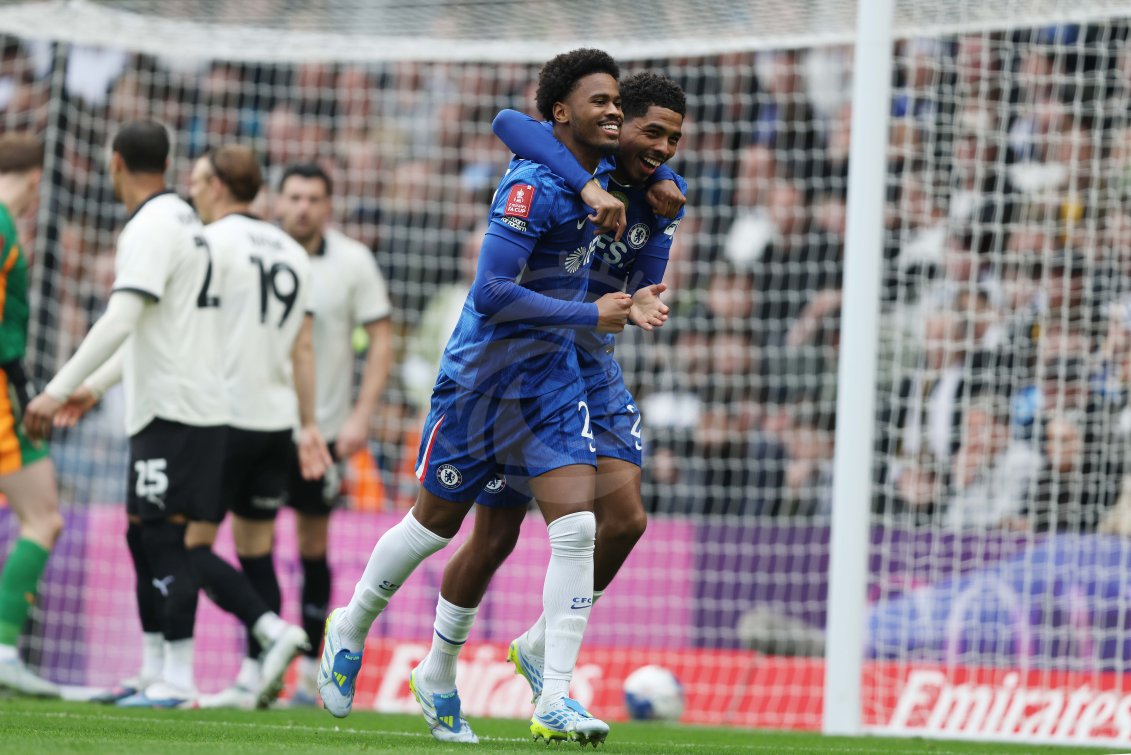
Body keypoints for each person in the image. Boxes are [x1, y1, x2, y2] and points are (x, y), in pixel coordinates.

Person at [318, 49, 637, 746]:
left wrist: (663, 179)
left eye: (618, 101)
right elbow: (490, 292)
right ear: (562, 113)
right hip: (481, 385)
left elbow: (644, 157)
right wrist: (589, 313)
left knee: (575, 528)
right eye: (601, 101)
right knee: (434, 527)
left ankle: (555, 696)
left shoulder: (605, 170)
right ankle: (351, 624)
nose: (615, 111)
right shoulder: (530, 186)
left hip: (550, 385)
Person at [408, 72, 687, 739]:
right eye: (650, 131)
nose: (662, 148)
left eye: (674, 140)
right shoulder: (569, 171)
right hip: (523, 364)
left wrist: (647, 285)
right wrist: (589, 184)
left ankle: (540, 651)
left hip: (588, 363)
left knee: (624, 520)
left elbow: (643, 279)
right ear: (615, 126)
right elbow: (510, 122)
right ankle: (439, 666)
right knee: (491, 536)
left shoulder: (659, 196)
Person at [24, 124, 305, 709]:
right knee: (145, 534)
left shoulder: (162, 226)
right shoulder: (191, 224)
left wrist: (59, 388)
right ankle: (156, 668)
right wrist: (95, 388)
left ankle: (190, 671)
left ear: (115, 162)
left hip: (180, 407)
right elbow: (159, 327)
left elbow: (123, 319)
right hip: (223, 408)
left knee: (166, 538)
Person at [184, 145, 329, 709]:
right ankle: (252, 675)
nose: (193, 191)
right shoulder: (292, 252)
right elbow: (304, 348)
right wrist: (308, 424)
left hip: (222, 417)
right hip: (277, 424)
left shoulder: (210, 243)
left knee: (187, 544)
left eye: (199, 181)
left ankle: (267, 631)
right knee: (255, 551)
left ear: (219, 186)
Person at [271, 163, 393, 704]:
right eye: (294, 197)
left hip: (320, 433)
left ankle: (302, 671)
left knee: (311, 547)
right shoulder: (262, 254)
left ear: (328, 205)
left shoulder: (353, 261)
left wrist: (361, 414)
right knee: (249, 540)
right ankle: (258, 663)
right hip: (258, 424)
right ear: (279, 202)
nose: (302, 208)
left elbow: (381, 338)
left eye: (313, 199)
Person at [0, 133, 61, 697]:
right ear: (35, 179)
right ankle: (2, 650)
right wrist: (21, 383)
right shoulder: (2, 226)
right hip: (1, 393)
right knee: (43, 517)